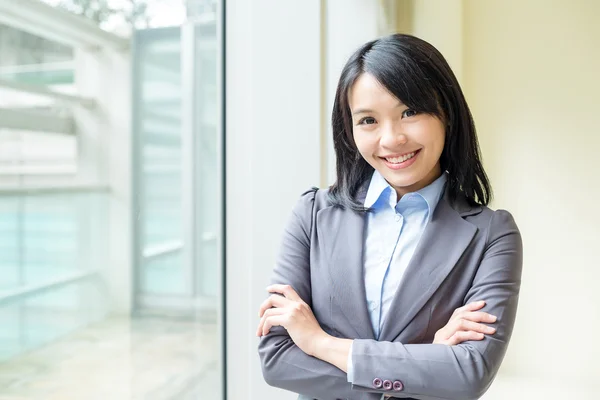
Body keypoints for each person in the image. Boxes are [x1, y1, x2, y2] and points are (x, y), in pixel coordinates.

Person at [256, 33, 523, 400]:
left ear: (446, 112)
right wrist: (425, 367)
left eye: (409, 112)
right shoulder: (312, 215)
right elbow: (277, 359)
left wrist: (318, 342)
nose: (391, 138)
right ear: (349, 130)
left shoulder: (492, 235)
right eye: (368, 120)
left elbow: (469, 374)